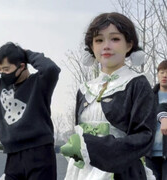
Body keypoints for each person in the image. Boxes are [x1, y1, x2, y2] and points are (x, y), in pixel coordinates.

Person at [61, 12, 156, 180]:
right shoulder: (85, 89)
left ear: (129, 44)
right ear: (91, 47)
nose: (106, 46)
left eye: (115, 39)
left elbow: (144, 137)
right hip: (84, 171)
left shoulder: (137, 83)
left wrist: (91, 146)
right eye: (99, 40)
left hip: (122, 172)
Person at [0, 42, 61, 180]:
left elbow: (51, 68)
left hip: (40, 153)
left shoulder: (39, 83)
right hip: (13, 156)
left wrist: (27, 54)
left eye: (6, 69)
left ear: (22, 66)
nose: (2, 73)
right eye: (0, 70)